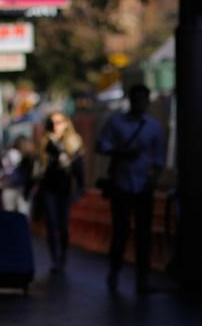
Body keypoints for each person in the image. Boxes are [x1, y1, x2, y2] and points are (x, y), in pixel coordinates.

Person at [96, 83, 165, 294]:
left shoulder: (153, 127)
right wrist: (121, 152)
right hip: (121, 183)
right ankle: (115, 273)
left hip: (143, 185)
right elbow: (101, 145)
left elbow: (159, 158)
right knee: (121, 231)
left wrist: (154, 179)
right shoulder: (116, 122)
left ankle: (141, 278)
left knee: (143, 235)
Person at [36, 111, 85, 272]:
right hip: (48, 187)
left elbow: (79, 167)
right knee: (51, 223)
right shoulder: (45, 141)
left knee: (63, 225)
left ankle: (63, 256)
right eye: (53, 123)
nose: (56, 126)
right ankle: (55, 258)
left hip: (64, 188)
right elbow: (39, 167)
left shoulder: (73, 141)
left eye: (60, 122)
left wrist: (80, 187)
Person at [0, 135, 34, 216]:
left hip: (16, 187)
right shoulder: (16, 154)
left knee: (13, 214)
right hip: (16, 187)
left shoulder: (25, 156)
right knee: (20, 214)